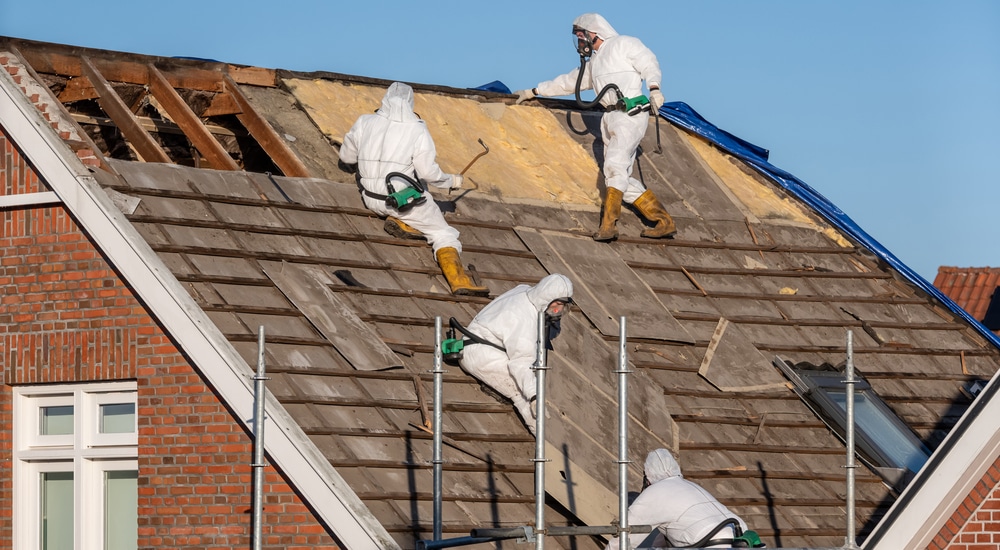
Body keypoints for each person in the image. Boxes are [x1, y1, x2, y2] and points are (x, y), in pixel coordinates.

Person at [515, 13, 677, 243]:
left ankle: (609, 225)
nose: (580, 42)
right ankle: (664, 221)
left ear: (594, 33)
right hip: (609, 116)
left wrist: (654, 89)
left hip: (630, 113)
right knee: (619, 175)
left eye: (582, 36)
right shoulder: (594, 64)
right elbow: (568, 82)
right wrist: (534, 91)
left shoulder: (624, 44)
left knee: (614, 166)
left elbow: (649, 62)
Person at [339, 82, 488, 297]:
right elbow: (428, 173)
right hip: (402, 202)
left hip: (370, 198)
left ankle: (403, 223)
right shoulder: (417, 129)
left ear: (385, 99)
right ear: (410, 103)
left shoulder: (365, 121)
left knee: (414, 193)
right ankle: (459, 281)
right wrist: (451, 181)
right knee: (443, 233)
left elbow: (346, 158)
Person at [458, 273, 574, 435]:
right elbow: (521, 362)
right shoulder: (524, 319)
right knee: (522, 394)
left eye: (562, 306)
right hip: (481, 356)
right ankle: (545, 439)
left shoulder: (525, 292)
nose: (557, 310)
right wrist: (534, 396)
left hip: (478, 344)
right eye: (556, 304)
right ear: (545, 298)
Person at [607, 449, 751, 549]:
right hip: (742, 537)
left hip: (708, 542)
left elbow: (624, 538)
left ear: (648, 476)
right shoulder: (689, 486)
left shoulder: (654, 493)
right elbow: (665, 538)